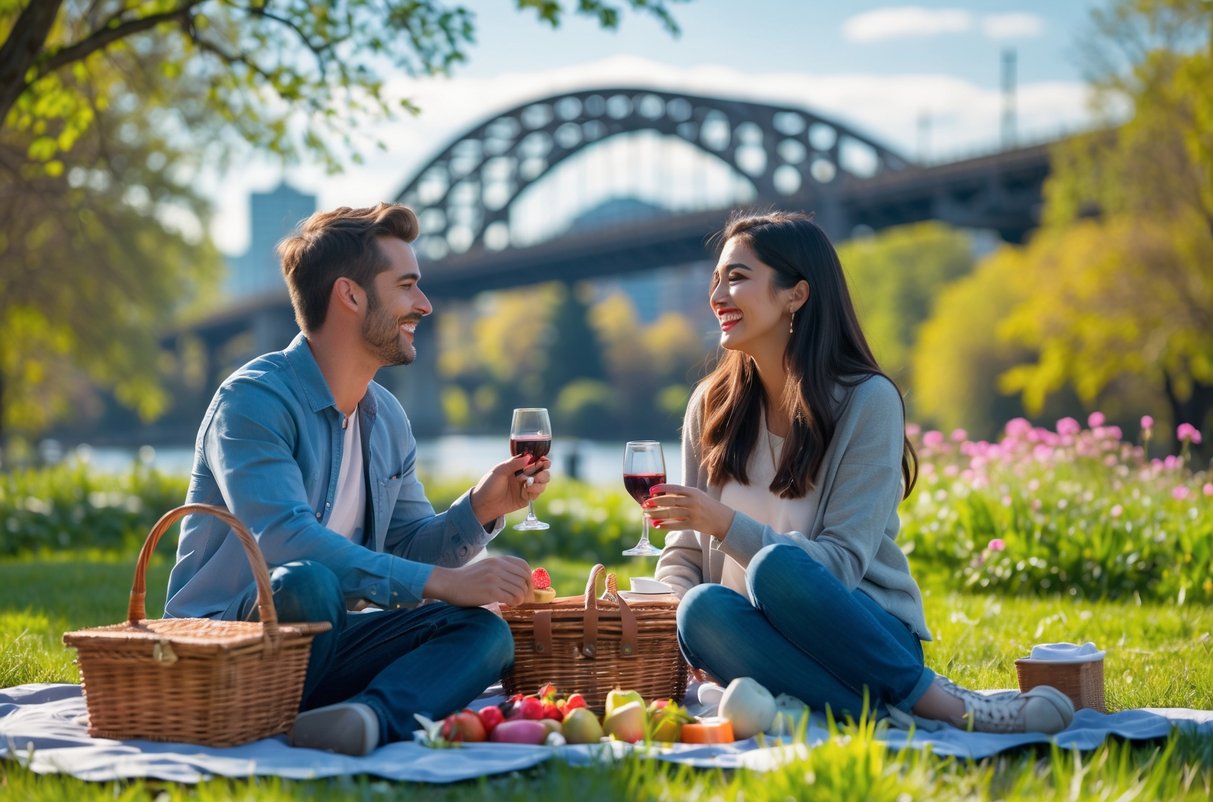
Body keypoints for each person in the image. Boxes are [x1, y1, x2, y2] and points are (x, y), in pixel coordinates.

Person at [648, 210, 1074, 734]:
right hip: (758, 635)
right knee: (698, 609)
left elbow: (842, 564)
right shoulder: (708, 405)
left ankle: (946, 705)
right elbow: (684, 553)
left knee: (775, 567)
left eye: (736, 277)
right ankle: (895, 711)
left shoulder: (867, 401)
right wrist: (659, 618)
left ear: (795, 295)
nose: (717, 296)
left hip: (865, 632)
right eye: (716, 280)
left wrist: (725, 524)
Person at [166, 203, 550, 755]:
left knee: (485, 632)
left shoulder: (387, 417)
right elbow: (285, 541)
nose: (425, 304)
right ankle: (321, 709)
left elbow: (412, 547)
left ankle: (365, 719)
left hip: (323, 644)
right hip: (225, 646)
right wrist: (445, 585)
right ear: (350, 295)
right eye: (407, 286)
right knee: (308, 581)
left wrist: (483, 508)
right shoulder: (253, 400)